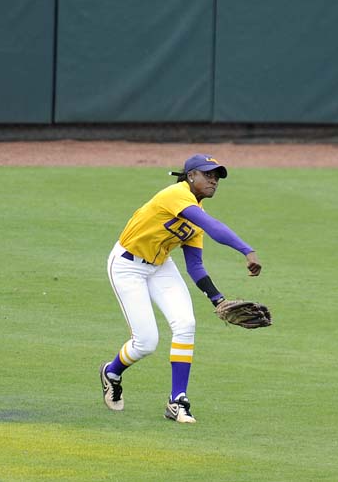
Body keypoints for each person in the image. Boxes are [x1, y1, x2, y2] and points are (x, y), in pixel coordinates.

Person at [99, 154, 262, 424]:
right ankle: (111, 372)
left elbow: (195, 266)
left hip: (161, 265)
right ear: (190, 176)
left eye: (217, 176)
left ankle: (177, 401)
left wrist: (217, 299)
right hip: (127, 266)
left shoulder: (195, 217)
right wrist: (247, 250)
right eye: (207, 174)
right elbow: (214, 227)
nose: (213, 180)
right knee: (146, 343)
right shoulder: (176, 195)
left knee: (185, 323)